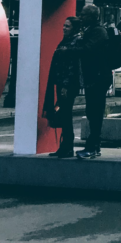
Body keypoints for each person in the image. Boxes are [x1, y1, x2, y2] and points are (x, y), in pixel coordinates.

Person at [75, 4, 113, 160]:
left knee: (95, 112)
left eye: (83, 15)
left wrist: (72, 47)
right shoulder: (92, 31)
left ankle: (93, 146)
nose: (81, 17)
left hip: (98, 79)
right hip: (94, 78)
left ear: (92, 16)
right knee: (92, 112)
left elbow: (87, 50)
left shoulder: (98, 32)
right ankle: (94, 146)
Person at [44, 17, 81, 158]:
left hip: (67, 85)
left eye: (68, 26)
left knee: (66, 115)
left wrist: (66, 85)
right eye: (64, 25)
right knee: (64, 115)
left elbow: (71, 66)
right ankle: (64, 146)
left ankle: (67, 147)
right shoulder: (66, 40)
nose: (64, 28)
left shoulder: (74, 41)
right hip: (61, 83)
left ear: (74, 28)